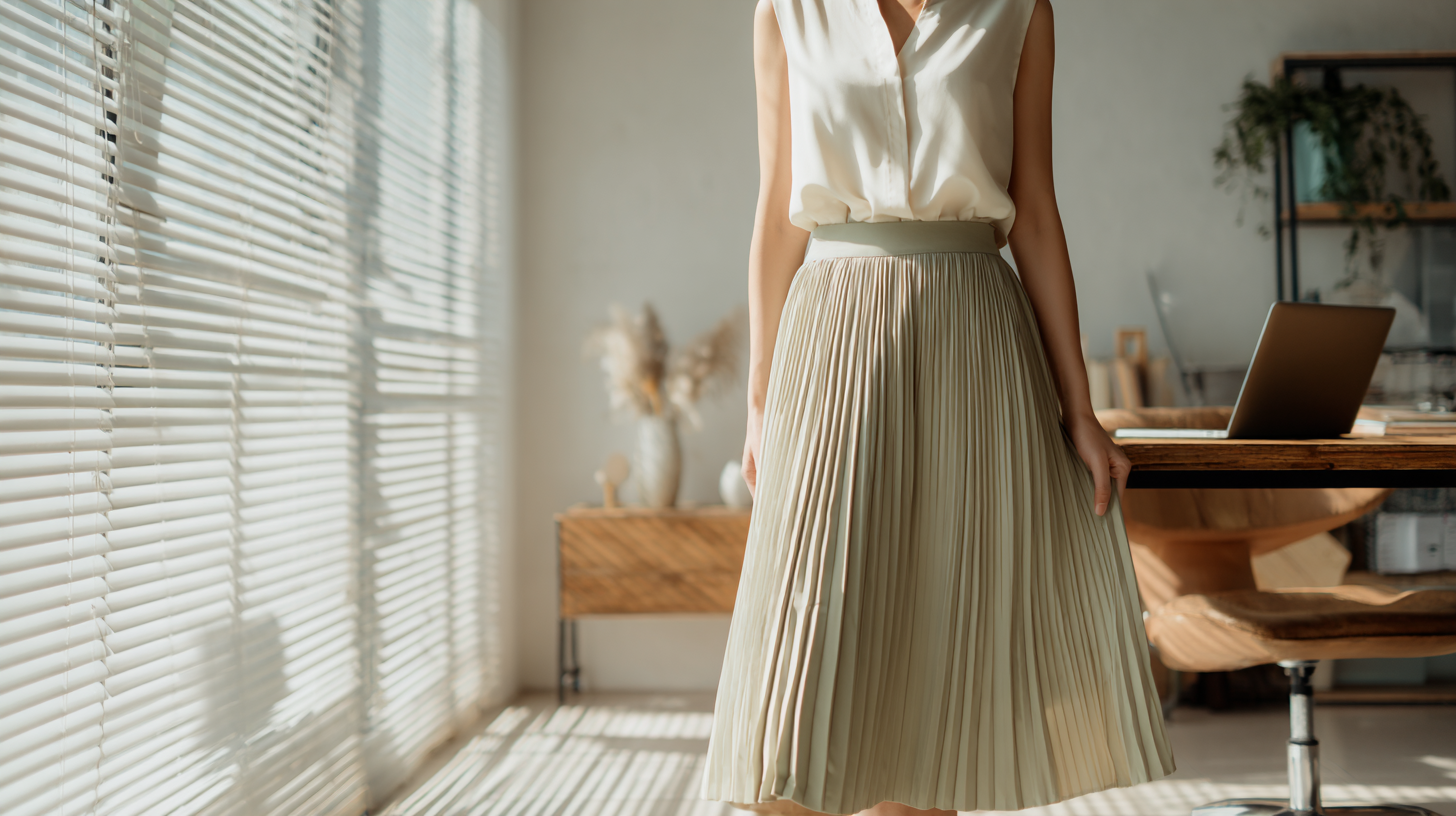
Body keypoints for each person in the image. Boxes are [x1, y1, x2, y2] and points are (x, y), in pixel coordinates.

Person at [700, 1, 1176, 815]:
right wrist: (759, 403)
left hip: (973, 340)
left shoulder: (1020, 11)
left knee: (934, 680)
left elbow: (1035, 214)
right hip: (833, 339)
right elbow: (775, 216)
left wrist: (1081, 410)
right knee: (800, 670)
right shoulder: (788, 10)